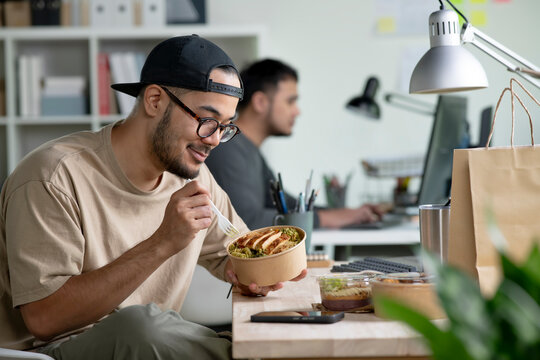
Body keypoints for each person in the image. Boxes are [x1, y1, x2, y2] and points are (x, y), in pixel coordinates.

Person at [0, 36, 306, 359]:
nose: (215, 140)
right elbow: (44, 318)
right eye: (207, 121)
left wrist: (257, 274)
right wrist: (162, 243)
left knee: (155, 327)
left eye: (226, 127)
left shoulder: (192, 174)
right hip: (53, 352)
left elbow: (237, 253)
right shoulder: (53, 176)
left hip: (148, 347)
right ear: (155, 100)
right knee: (141, 326)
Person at [206, 59, 384, 230]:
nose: (297, 111)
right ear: (260, 102)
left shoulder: (249, 150)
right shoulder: (227, 147)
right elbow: (247, 220)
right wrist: (326, 219)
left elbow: (289, 206)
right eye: (290, 101)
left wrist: (345, 213)